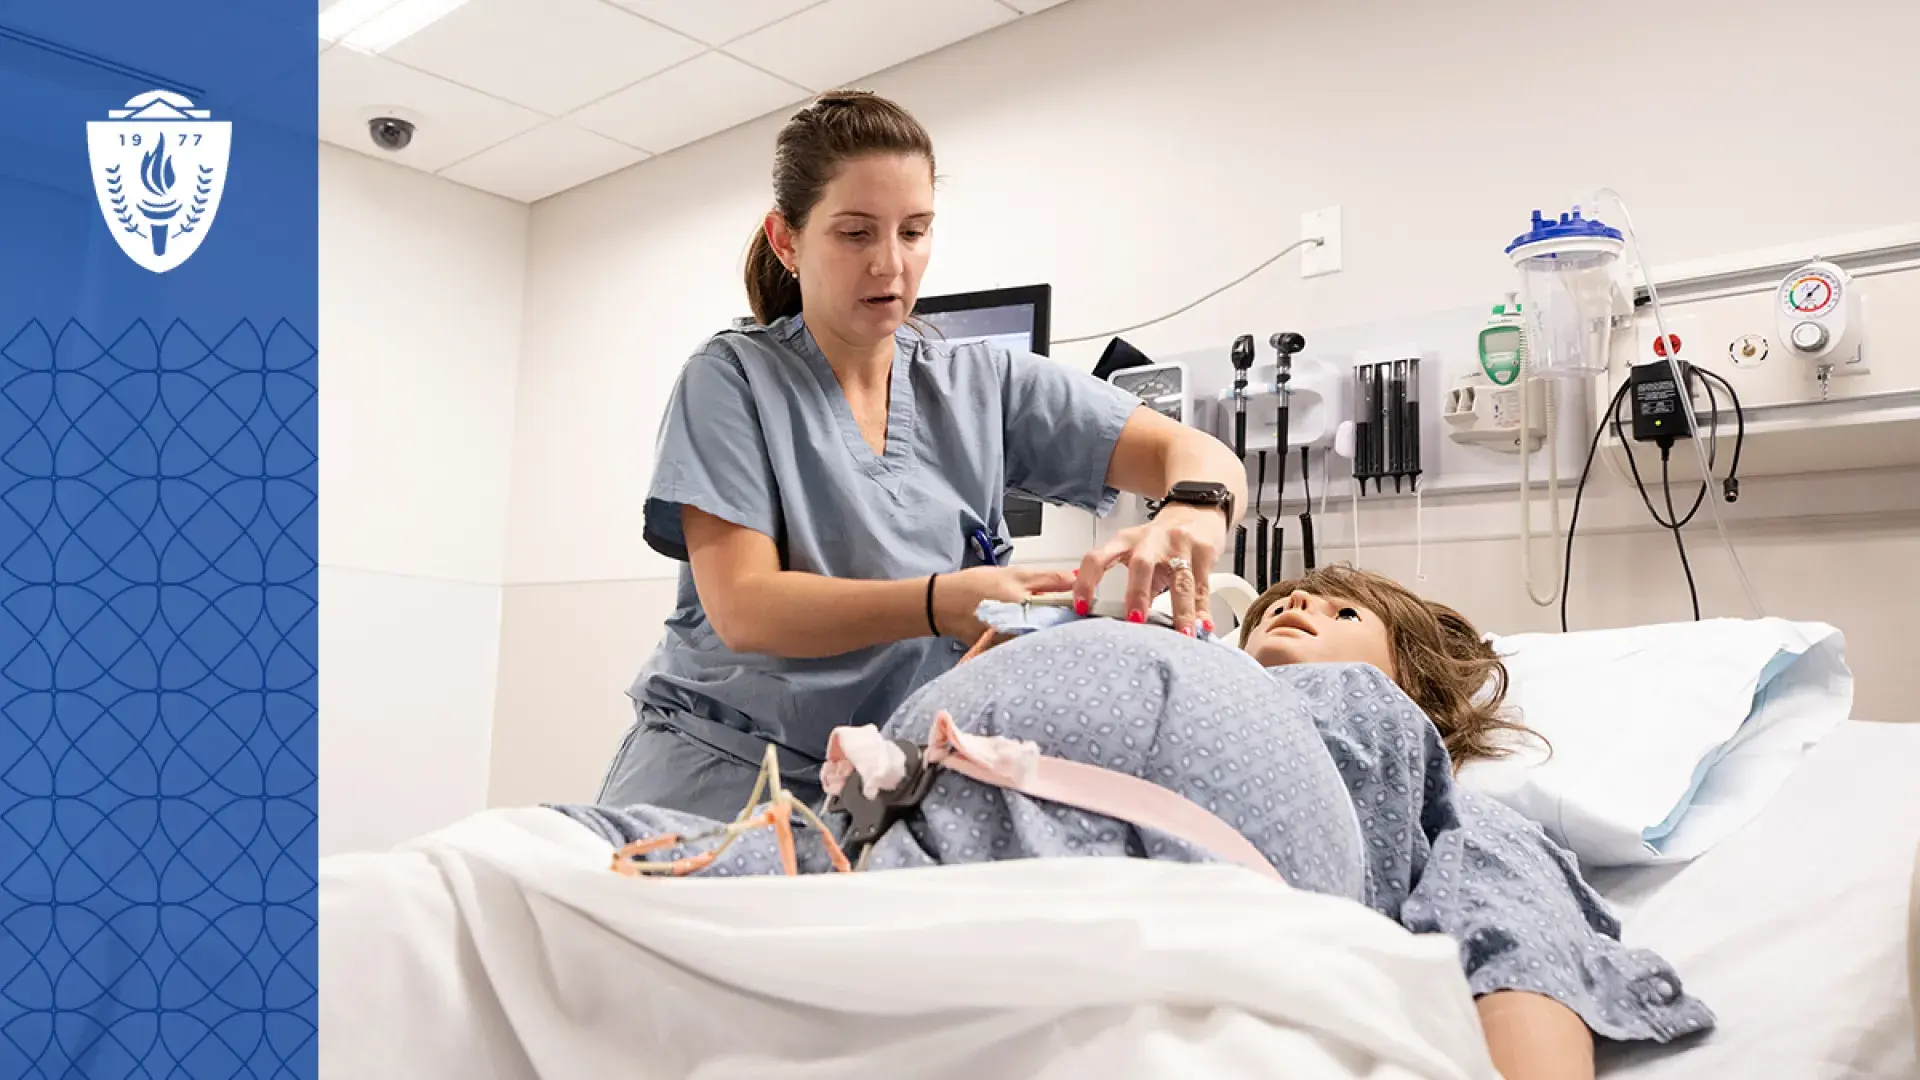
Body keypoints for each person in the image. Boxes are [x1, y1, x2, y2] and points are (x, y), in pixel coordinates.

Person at [559, 565, 1713, 1080]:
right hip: (915, 804)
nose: (1298, 601)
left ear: (1415, 681)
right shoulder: (1183, 650)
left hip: (1175, 872)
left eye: (1341, 607)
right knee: (556, 853)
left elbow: (1514, 933)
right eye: (1284, 599)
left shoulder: (1405, 757)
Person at [604, 87, 1247, 819]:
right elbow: (746, 607)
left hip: (885, 790)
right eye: (855, 234)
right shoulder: (731, 379)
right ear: (787, 240)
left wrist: (1197, 509)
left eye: (914, 231)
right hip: (722, 778)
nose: (891, 264)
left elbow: (1192, 451)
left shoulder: (983, 384)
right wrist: (943, 603)